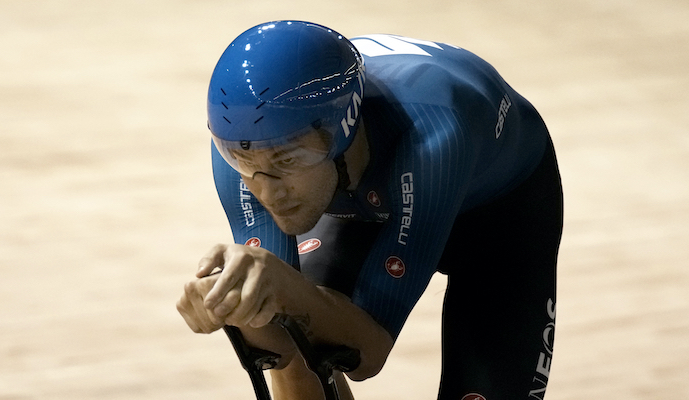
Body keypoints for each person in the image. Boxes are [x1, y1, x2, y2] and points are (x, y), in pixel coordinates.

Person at [177, 20, 563, 400]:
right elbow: (277, 348)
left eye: (289, 160)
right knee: (286, 319)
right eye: (244, 162)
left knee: (292, 297)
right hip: (365, 188)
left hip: (496, 216)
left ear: (342, 127)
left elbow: (368, 352)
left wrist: (285, 292)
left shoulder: (432, 137)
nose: (267, 190)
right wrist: (232, 306)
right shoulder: (246, 138)